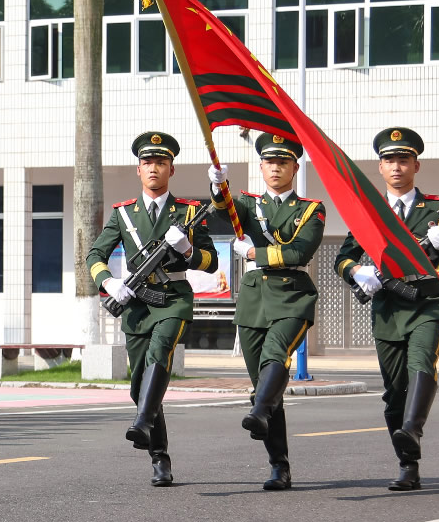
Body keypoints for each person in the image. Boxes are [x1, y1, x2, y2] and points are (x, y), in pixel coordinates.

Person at [333, 127, 439, 492]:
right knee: (394, 391)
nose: (397, 166)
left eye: (403, 160)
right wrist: (359, 272)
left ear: (416, 165)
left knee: (421, 363)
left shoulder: (437, 209)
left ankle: (412, 430)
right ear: (380, 167)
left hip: (426, 302)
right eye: (389, 160)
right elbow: (342, 260)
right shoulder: (368, 211)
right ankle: (407, 463)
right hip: (389, 309)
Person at [84, 132, 219, 487]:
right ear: (138, 170)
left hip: (173, 299)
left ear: (171, 169)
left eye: (161, 162)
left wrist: (188, 249)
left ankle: (144, 425)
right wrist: (109, 283)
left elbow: (210, 262)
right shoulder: (123, 214)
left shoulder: (189, 212)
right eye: (148, 163)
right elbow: (94, 255)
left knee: (160, 353)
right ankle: (159, 451)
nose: (154, 168)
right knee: (138, 387)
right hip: (137, 306)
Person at [209, 132, 325, 491]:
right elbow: (223, 206)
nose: (276, 167)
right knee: (264, 385)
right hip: (254, 299)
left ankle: (259, 412)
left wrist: (253, 254)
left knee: (276, 356)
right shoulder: (248, 203)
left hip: (291, 296)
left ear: (294, 167)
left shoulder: (310, 208)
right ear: (261, 167)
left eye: (283, 162)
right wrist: (218, 184)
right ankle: (280, 465)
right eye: (270, 162)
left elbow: (298, 253)